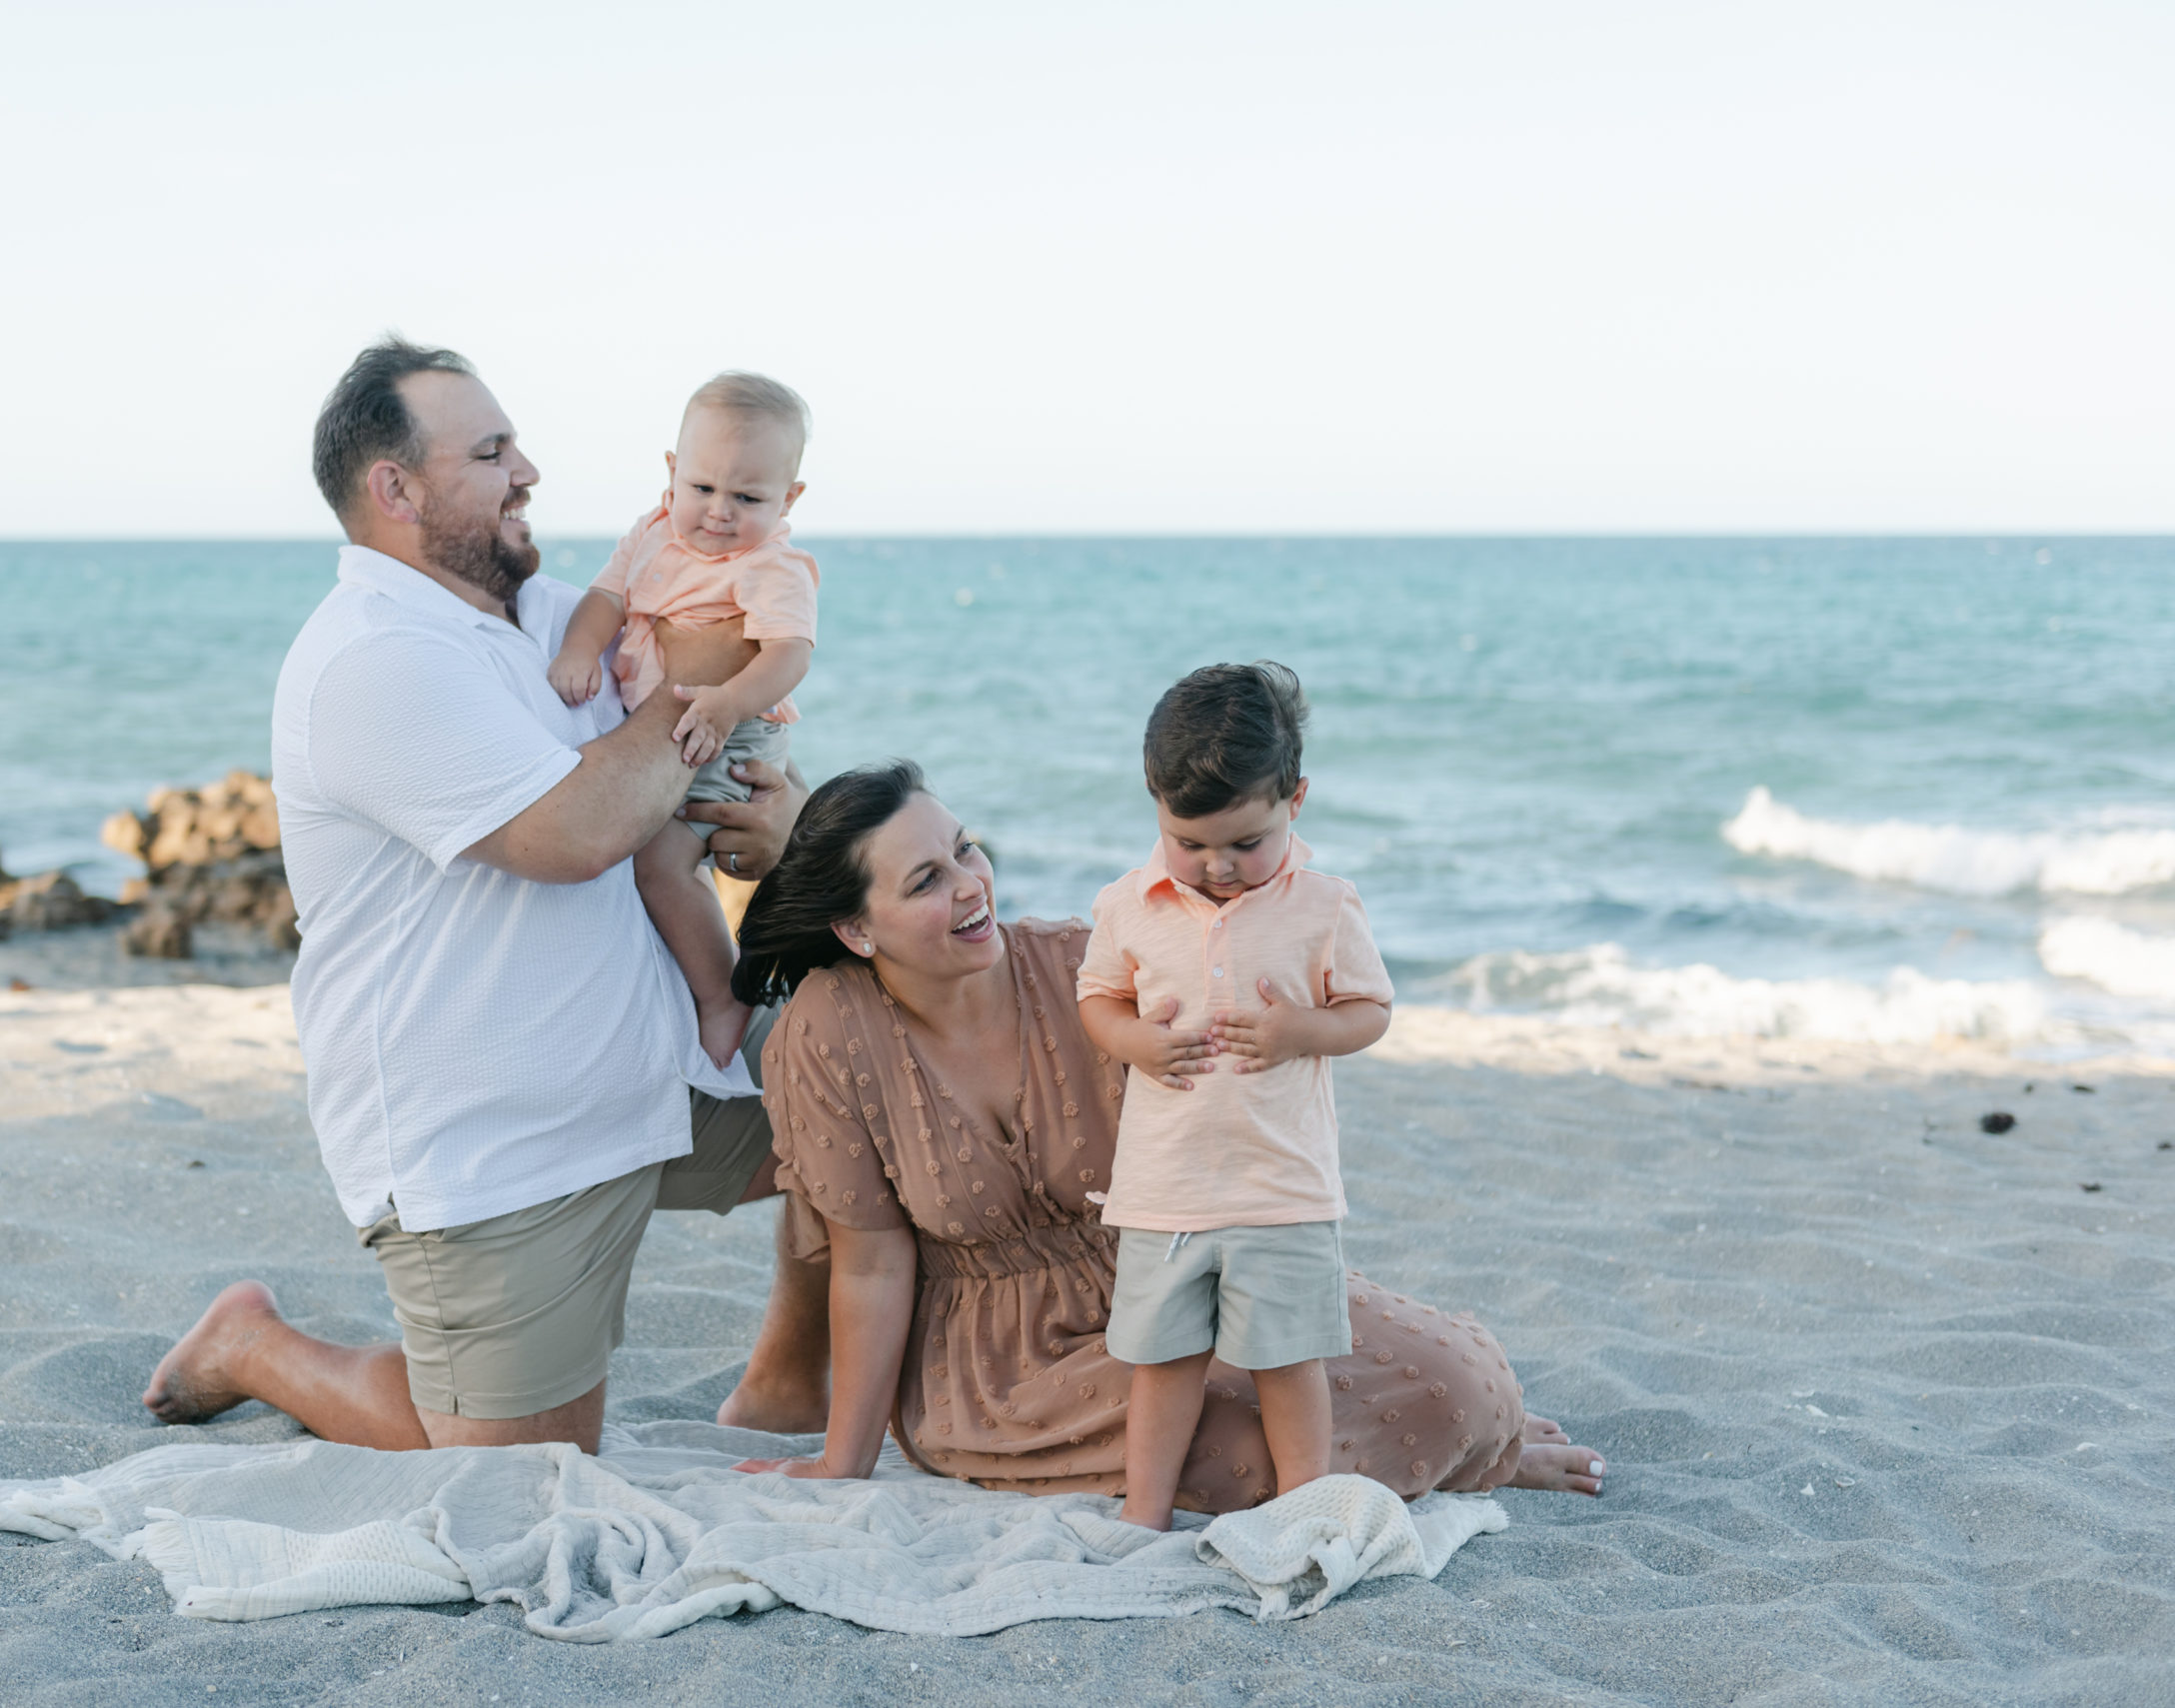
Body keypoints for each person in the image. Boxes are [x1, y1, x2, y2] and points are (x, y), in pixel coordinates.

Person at [142, 337, 827, 1453]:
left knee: (909, 1108)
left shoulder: (555, 614)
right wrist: (698, 679)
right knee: (519, 1460)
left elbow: (710, 770)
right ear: (397, 489)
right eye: (492, 451)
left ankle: (787, 1384)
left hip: (657, 1062)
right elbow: (575, 831)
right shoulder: (373, 658)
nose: (530, 470)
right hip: (496, 1139)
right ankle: (253, 1346)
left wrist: (776, 818)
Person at [725, 762, 1607, 1513]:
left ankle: (1474, 1445)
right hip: (1001, 1365)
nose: (970, 885)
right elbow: (871, 1264)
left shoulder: (1085, 963)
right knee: (1251, 1458)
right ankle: (1464, 1464)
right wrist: (845, 1461)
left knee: (1460, 1388)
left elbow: (1238, 1123)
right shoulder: (827, 1034)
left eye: (965, 848)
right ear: (855, 928)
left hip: (1184, 1266)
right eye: (924, 881)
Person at [1076, 662, 1385, 1530]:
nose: (1217, 866)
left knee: (1289, 1361)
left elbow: (1370, 1011)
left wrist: (1299, 1032)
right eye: (1191, 842)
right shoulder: (1127, 903)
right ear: (1155, 805)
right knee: (1163, 1359)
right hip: (1165, 1188)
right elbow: (1097, 998)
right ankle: (1145, 1510)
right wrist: (1135, 1040)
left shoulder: (1325, 905)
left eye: (1246, 842)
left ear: (1296, 798)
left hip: (1281, 1189)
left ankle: (1303, 1509)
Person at [548, 373, 820, 1069]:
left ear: (788, 499)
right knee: (664, 856)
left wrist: (727, 701)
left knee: (664, 862)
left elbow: (790, 653)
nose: (720, 512)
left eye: (748, 497)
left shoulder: (769, 564)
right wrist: (581, 646)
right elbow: (605, 596)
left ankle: (721, 992)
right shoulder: (650, 531)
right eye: (702, 489)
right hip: (673, 727)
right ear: (672, 473)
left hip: (732, 725)